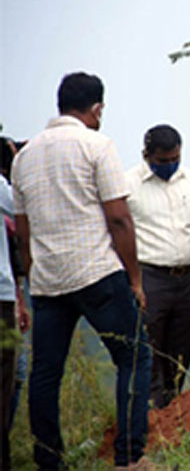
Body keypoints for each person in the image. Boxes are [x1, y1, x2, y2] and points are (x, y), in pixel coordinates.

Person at [11, 72, 151, 470]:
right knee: (134, 357)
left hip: (48, 279)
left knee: (45, 373)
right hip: (96, 272)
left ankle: (49, 461)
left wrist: (34, 274)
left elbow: (23, 231)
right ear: (96, 108)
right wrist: (136, 280)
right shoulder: (96, 145)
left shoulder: (25, 156)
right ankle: (129, 459)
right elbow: (120, 219)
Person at [126, 124, 190, 408]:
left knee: (180, 354)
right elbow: (119, 233)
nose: (170, 165)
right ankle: (150, 415)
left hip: (187, 277)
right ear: (147, 154)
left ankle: (175, 413)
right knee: (150, 352)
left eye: (176, 158)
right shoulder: (129, 185)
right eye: (164, 161)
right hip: (151, 276)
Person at [1, 141, 30, 471]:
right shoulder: (4, 192)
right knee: (9, 375)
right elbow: (24, 204)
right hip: (2, 302)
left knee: (16, 373)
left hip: (9, 298)